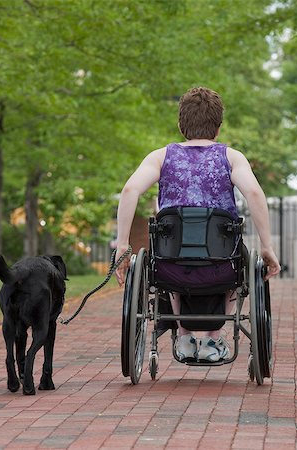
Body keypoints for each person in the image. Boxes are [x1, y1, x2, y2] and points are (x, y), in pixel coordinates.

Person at [114, 86, 281, 363]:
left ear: (181, 125)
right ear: (218, 127)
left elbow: (130, 190)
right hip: (221, 264)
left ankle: (184, 336)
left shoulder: (160, 156)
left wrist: (122, 244)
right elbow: (253, 193)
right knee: (238, 257)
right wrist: (267, 247)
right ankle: (213, 340)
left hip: (171, 264)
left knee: (171, 251)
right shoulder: (231, 157)